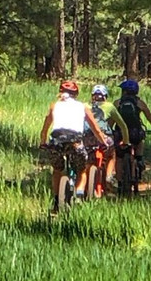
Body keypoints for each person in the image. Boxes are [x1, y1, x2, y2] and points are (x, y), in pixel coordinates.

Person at [39, 80, 109, 211]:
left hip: (56, 141)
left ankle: (56, 200)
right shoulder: (83, 107)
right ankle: (79, 195)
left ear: (60, 92)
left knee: (57, 170)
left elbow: (45, 128)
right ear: (76, 94)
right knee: (82, 170)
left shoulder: (54, 106)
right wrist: (103, 143)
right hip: (75, 141)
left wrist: (43, 142)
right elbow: (96, 129)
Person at [84, 84, 128, 191]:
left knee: (87, 159)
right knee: (111, 154)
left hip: (87, 137)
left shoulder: (85, 106)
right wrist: (125, 141)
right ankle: (108, 176)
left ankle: (85, 182)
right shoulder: (110, 106)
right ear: (105, 96)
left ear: (92, 96)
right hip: (104, 137)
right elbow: (123, 126)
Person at [115, 79, 151, 178]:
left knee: (119, 157)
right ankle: (139, 159)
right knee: (140, 141)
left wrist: (110, 130)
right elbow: (149, 117)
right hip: (135, 132)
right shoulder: (140, 103)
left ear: (124, 91)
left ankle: (118, 181)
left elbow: (111, 120)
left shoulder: (117, 103)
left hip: (120, 133)